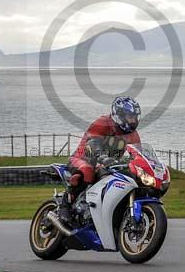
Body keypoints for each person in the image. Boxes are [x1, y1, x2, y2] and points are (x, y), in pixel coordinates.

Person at [57, 96, 142, 224]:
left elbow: (138, 154)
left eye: (135, 117)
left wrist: (140, 164)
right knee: (87, 170)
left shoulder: (133, 134)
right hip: (82, 158)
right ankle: (65, 205)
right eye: (130, 117)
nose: (133, 120)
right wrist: (102, 157)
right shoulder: (102, 123)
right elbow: (92, 143)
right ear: (119, 115)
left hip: (107, 165)